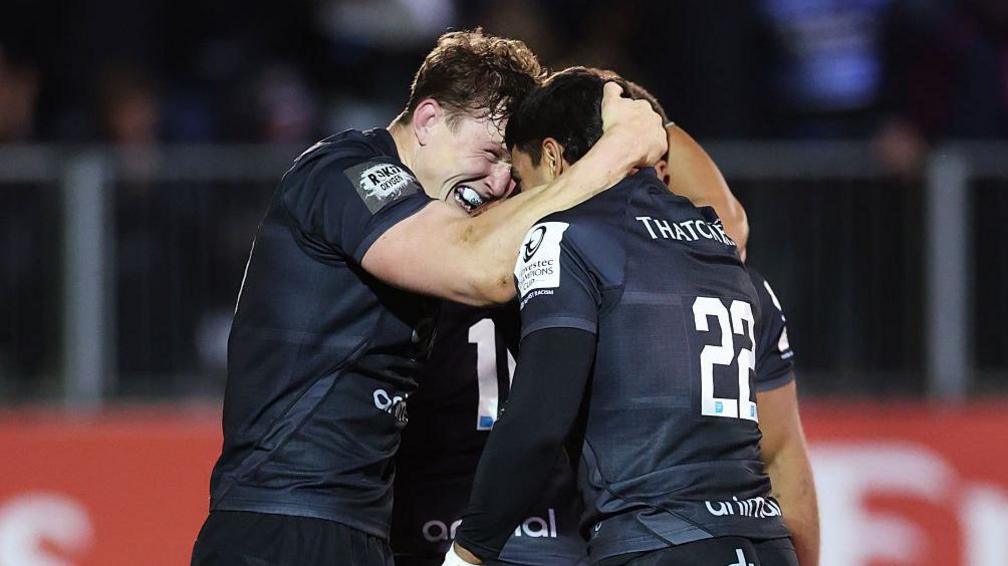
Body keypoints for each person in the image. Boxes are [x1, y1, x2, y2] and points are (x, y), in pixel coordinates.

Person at [190, 30, 666, 566]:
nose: (499, 182)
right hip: (283, 526)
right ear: (428, 120)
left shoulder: (431, 209)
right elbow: (481, 266)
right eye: (489, 154)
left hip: (358, 528)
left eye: (511, 166)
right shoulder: (343, 173)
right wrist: (616, 152)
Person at [391, 78, 756, 566]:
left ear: (553, 157)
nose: (512, 197)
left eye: (520, 179)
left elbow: (539, 418)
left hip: (655, 539)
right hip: (757, 534)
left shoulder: (566, 236)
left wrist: (467, 555)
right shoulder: (714, 236)